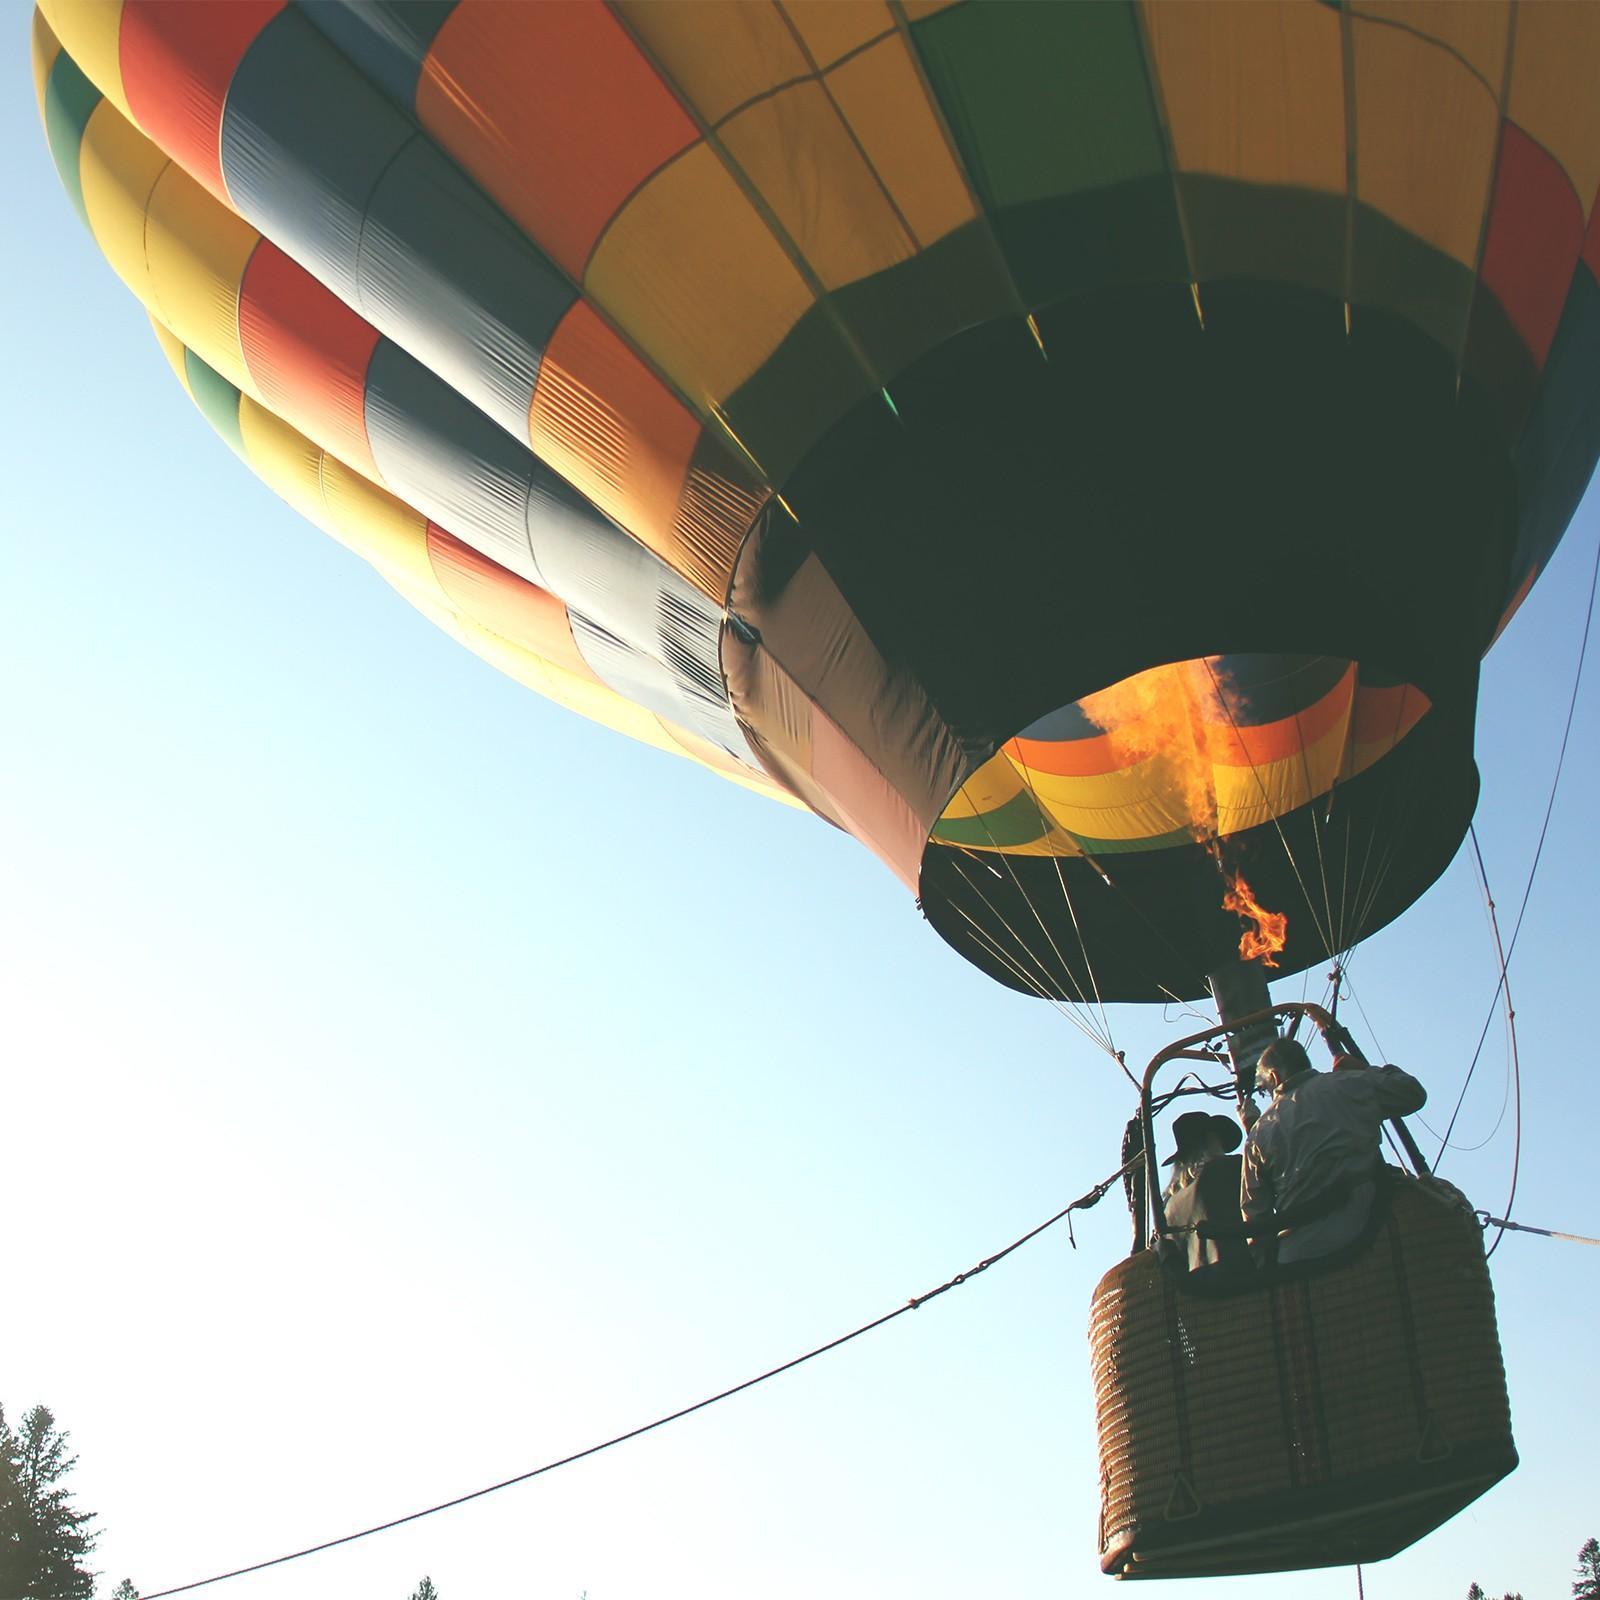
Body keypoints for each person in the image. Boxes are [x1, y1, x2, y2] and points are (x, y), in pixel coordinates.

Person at [1239, 1037, 1426, 1265]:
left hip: (1298, 1253)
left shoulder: (1260, 1132)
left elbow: (1255, 1214)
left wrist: (1263, 1265)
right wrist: (1365, 1070)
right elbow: (1413, 1093)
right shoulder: (1350, 1083)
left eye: (1264, 1088)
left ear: (1275, 1077)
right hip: (1369, 1231)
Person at [1161, 1112, 1248, 1275]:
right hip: (1245, 1277)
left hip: (1200, 1292)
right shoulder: (1231, 1168)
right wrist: (1253, 1128)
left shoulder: (1169, 1207)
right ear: (1211, 1139)